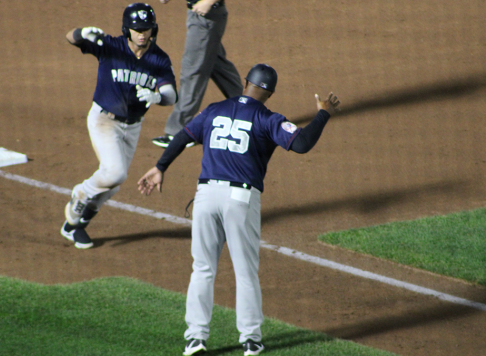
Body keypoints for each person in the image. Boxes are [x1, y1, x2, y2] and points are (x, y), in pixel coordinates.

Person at [137, 64, 340, 356]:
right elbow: (303, 144)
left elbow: (182, 137)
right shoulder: (268, 118)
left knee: (202, 269)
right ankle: (251, 340)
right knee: (245, 272)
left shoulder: (214, 109)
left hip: (206, 196)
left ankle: (195, 339)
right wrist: (324, 113)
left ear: (245, 83)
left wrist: (160, 167)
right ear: (269, 93)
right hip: (240, 199)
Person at [62, 3, 177, 249]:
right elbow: (70, 37)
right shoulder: (110, 46)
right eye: (137, 29)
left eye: (146, 28)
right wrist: (82, 33)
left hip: (133, 126)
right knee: (115, 173)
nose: (142, 33)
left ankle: (74, 226)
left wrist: (159, 97)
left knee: (113, 186)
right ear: (127, 29)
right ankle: (81, 192)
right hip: (104, 119)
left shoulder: (159, 58)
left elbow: (171, 93)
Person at [151, 0, 243, 148]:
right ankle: (250, 106)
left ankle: (179, 130)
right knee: (216, 64)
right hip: (203, 16)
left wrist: (209, 1)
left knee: (192, 72)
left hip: (206, 16)